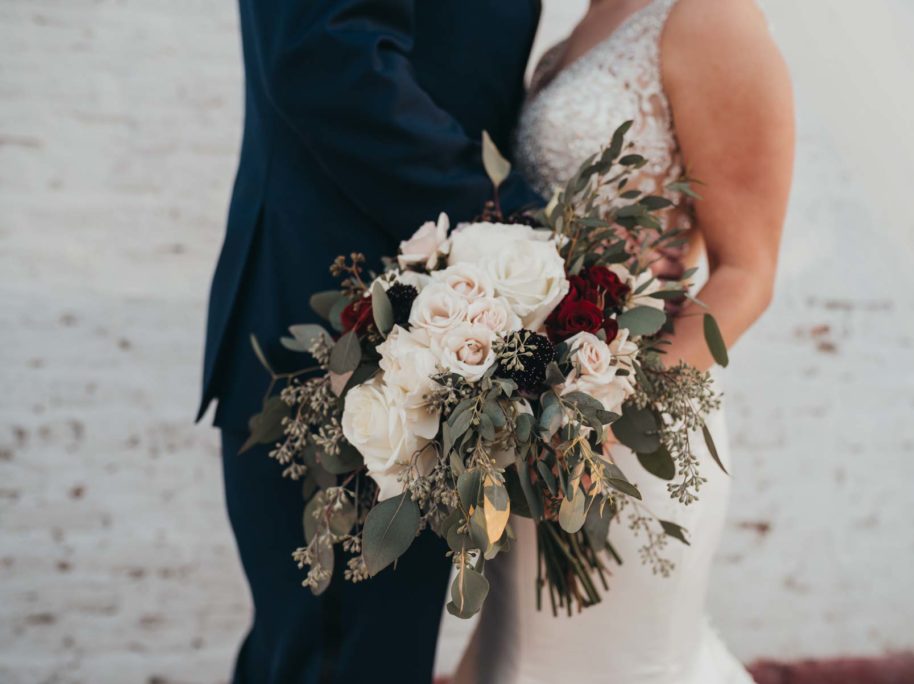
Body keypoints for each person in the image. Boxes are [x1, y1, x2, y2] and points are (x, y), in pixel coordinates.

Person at [197, 1, 543, 681]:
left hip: (416, 338)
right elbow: (326, 57)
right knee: (337, 659)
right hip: (345, 341)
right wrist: (515, 231)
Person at [456, 0, 794, 681]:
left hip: (628, 442)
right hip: (538, 428)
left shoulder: (712, 18)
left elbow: (747, 272)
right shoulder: (586, 19)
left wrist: (609, 414)